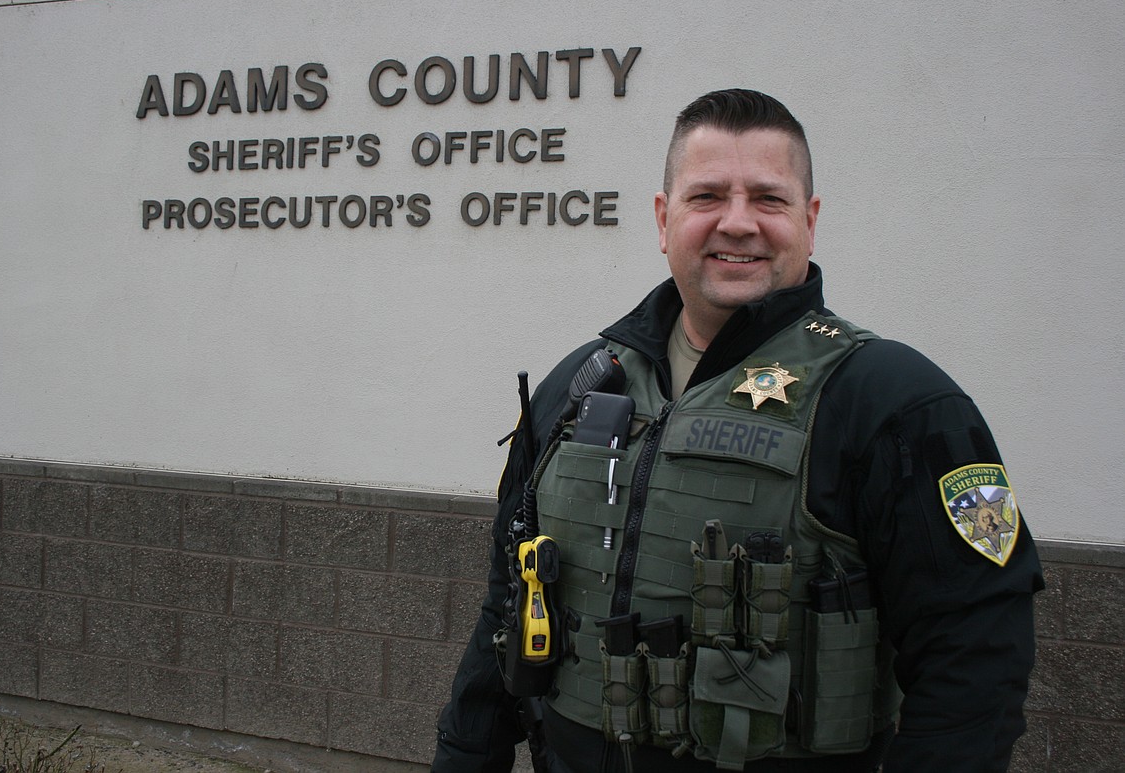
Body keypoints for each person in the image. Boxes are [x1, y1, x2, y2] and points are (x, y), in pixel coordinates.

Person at [432, 88, 1043, 773]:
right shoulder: (579, 384)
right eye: (707, 197)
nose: (738, 222)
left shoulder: (896, 401)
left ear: (810, 221)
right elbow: (506, 604)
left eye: (768, 199)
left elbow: (975, 669)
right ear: (664, 220)